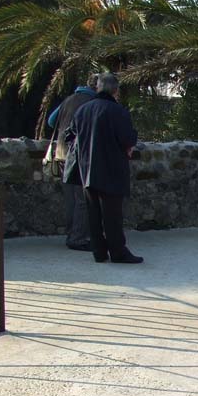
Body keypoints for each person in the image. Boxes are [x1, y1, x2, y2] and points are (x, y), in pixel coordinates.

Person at [71, 72, 143, 264]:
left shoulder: (82, 110)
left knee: (93, 213)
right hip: (111, 169)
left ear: (98, 88)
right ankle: (118, 252)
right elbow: (127, 139)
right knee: (112, 215)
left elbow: (72, 134)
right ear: (115, 91)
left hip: (87, 169)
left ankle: (99, 251)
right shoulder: (118, 112)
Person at [45, 74, 97, 251]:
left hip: (61, 153)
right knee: (83, 199)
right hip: (79, 155)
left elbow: (51, 121)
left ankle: (71, 232)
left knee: (70, 198)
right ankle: (78, 237)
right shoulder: (92, 102)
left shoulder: (69, 99)